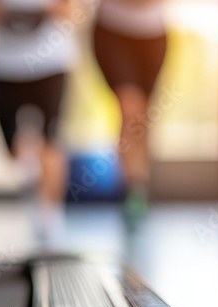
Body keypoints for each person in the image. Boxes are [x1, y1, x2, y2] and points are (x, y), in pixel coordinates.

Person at [0, 0, 76, 249]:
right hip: (6, 69)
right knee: (13, 151)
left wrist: (44, 11)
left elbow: (72, 12)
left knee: (51, 143)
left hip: (50, 68)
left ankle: (52, 219)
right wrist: (6, 13)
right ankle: (31, 176)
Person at [91, 0, 167, 224]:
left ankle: (140, 181)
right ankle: (130, 185)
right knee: (129, 108)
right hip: (112, 31)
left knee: (144, 115)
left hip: (153, 35)